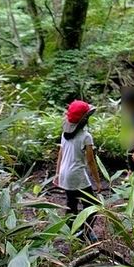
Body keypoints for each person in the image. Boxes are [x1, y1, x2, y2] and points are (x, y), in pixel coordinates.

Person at [53, 99, 104, 241]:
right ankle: (84, 233)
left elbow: (60, 155)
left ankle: (72, 234)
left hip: (65, 173)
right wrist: (98, 182)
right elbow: (90, 161)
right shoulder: (86, 137)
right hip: (76, 175)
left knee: (71, 205)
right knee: (93, 206)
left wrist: (57, 174)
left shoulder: (65, 135)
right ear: (85, 120)